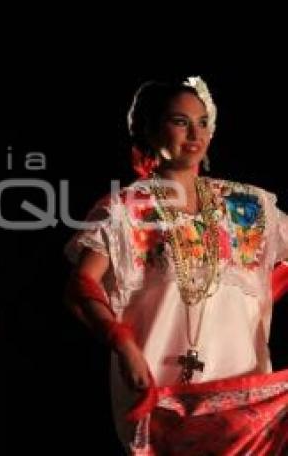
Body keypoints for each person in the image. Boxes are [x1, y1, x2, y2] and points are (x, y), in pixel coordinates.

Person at [65, 76, 288, 453]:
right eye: (180, 121)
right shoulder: (126, 209)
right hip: (161, 389)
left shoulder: (245, 206)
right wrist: (123, 344)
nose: (195, 132)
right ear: (149, 130)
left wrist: (262, 292)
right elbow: (81, 286)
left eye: (202, 122)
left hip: (239, 386)